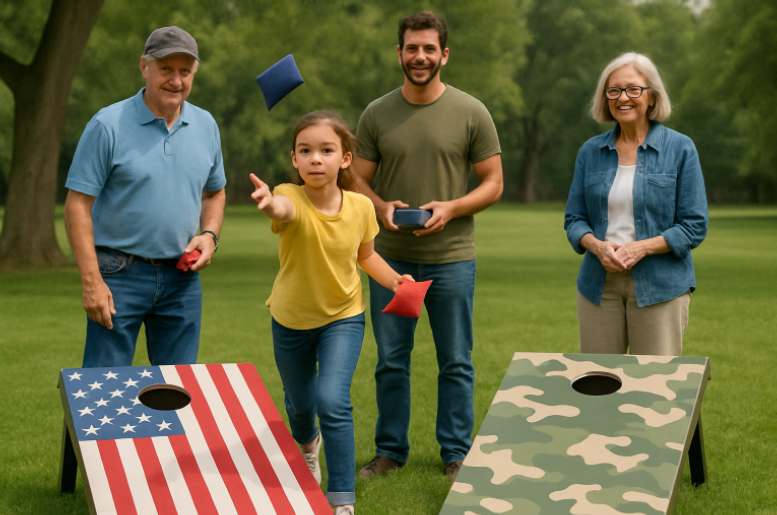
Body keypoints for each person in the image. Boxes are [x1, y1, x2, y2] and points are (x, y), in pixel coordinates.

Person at [354, 11, 503, 482]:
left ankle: (456, 454)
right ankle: (390, 452)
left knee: (455, 361)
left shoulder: (471, 111)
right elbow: (356, 179)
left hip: (452, 259)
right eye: (412, 48)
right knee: (390, 361)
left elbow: (494, 182)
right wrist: (380, 206)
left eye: (429, 49)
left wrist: (452, 208)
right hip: (390, 260)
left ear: (444, 54)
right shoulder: (377, 113)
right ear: (399, 53)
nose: (420, 56)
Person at [249, 111, 413, 515]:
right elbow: (283, 211)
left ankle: (342, 499)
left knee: (331, 401)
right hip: (290, 320)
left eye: (326, 150)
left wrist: (394, 281)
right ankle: (309, 445)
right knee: (300, 406)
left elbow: (366, 256)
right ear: (294, 159)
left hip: (343, 318)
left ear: (345, 158)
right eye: (305, 151)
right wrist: (269, 203)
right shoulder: (289, 195)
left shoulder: (360, 207)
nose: (316, 159)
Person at [64, 27, 226, 367]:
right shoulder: (107, 125)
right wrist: (92, 281)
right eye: (166, 69)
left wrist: (210, 235)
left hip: (182, 280)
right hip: (117, 275)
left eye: (185, 71)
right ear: (144, 67)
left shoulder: (206, 125)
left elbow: (215, 192)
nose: (176, 80)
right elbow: (77, 205)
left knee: (178, 388)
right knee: (103, 387)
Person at [564, 52, 708, 356]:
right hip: (598, 286)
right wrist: (598, 247)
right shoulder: (590, 152)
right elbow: (574, 219)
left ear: (652, 96)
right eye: (613, 90)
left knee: (655, 383)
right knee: (598, 379)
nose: (622, 98)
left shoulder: (681, 149)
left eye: (633, 89)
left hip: (661, 287)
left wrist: (640, 248)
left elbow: (694, 226)